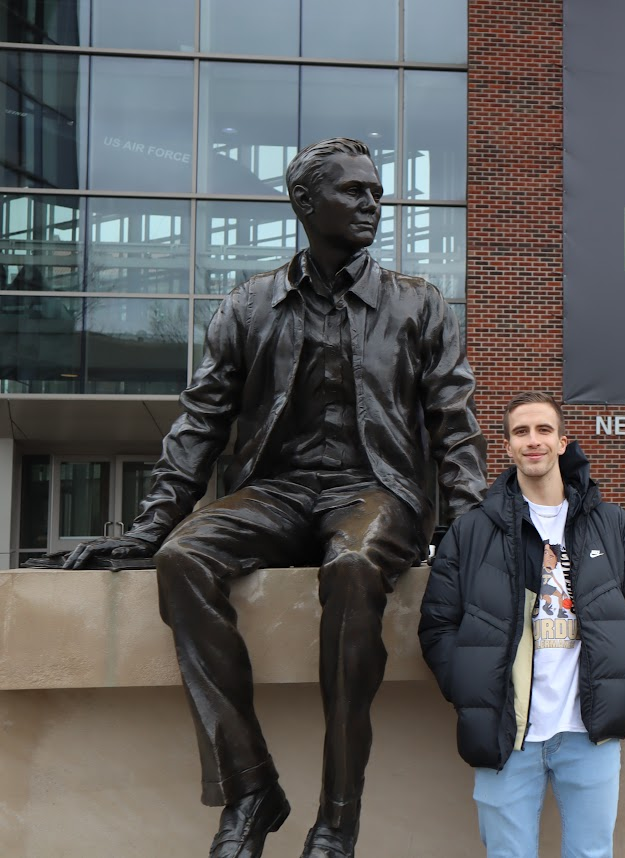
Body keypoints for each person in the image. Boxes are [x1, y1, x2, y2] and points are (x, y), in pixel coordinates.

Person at [62, 137, 487, 858]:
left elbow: (455, 422)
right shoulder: (250, 304)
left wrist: (473, 526)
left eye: (376, 193)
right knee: (184, 557)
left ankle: (338, 816)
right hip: (276, 492)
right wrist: (150, 525)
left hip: (373, 493)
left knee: (353, 568)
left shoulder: (418, 305)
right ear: (303, 202)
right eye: (354, 191)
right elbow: (200, 422)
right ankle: (252, 787)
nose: (371, 204)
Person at [419, 392, 625, 858]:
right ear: (508, 448)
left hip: (589, 733)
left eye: (543, 430)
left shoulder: (610, 524)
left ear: (561, 442)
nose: (532, 441)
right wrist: (468, 685)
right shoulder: (472, 531)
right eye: (521, 432)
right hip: (504, 735)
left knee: (591, 854)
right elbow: (437, 625)